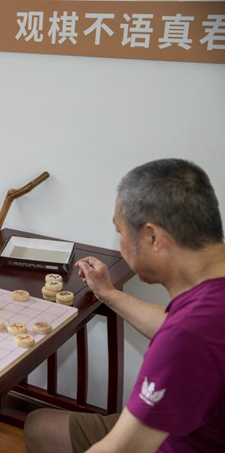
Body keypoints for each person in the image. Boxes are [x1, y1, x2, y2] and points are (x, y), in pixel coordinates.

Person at [24, 159, 225, 452]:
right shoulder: (206, 306)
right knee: (40, 427)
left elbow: (121, 448)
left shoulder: (186, 337)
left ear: (153, 238)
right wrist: (107, 293)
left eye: (120, 231)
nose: (120, 241)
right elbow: (174, 325)